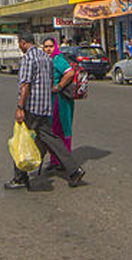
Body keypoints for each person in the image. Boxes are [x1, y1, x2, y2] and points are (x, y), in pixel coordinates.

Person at [6, 33, 85, 191]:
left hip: (31, 107)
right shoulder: (46, 58)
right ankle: (74, 170)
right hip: (45, 105)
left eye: (19, 43)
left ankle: (20, 177)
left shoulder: (29, 58)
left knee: (21, 139)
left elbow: (25, 85)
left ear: (23, 43)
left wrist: (20, 107)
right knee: (50, 139)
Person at [42, 38, 76, 168]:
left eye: (50, 46)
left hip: (60, 100)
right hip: (50, 100)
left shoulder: (58, 59)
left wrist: (59, 86)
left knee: (63, 129)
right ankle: (55, 160)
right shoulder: (47, 60)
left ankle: (65, 161)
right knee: (53, 131)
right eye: (46, 47)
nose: (48, 49)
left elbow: (69, 73)